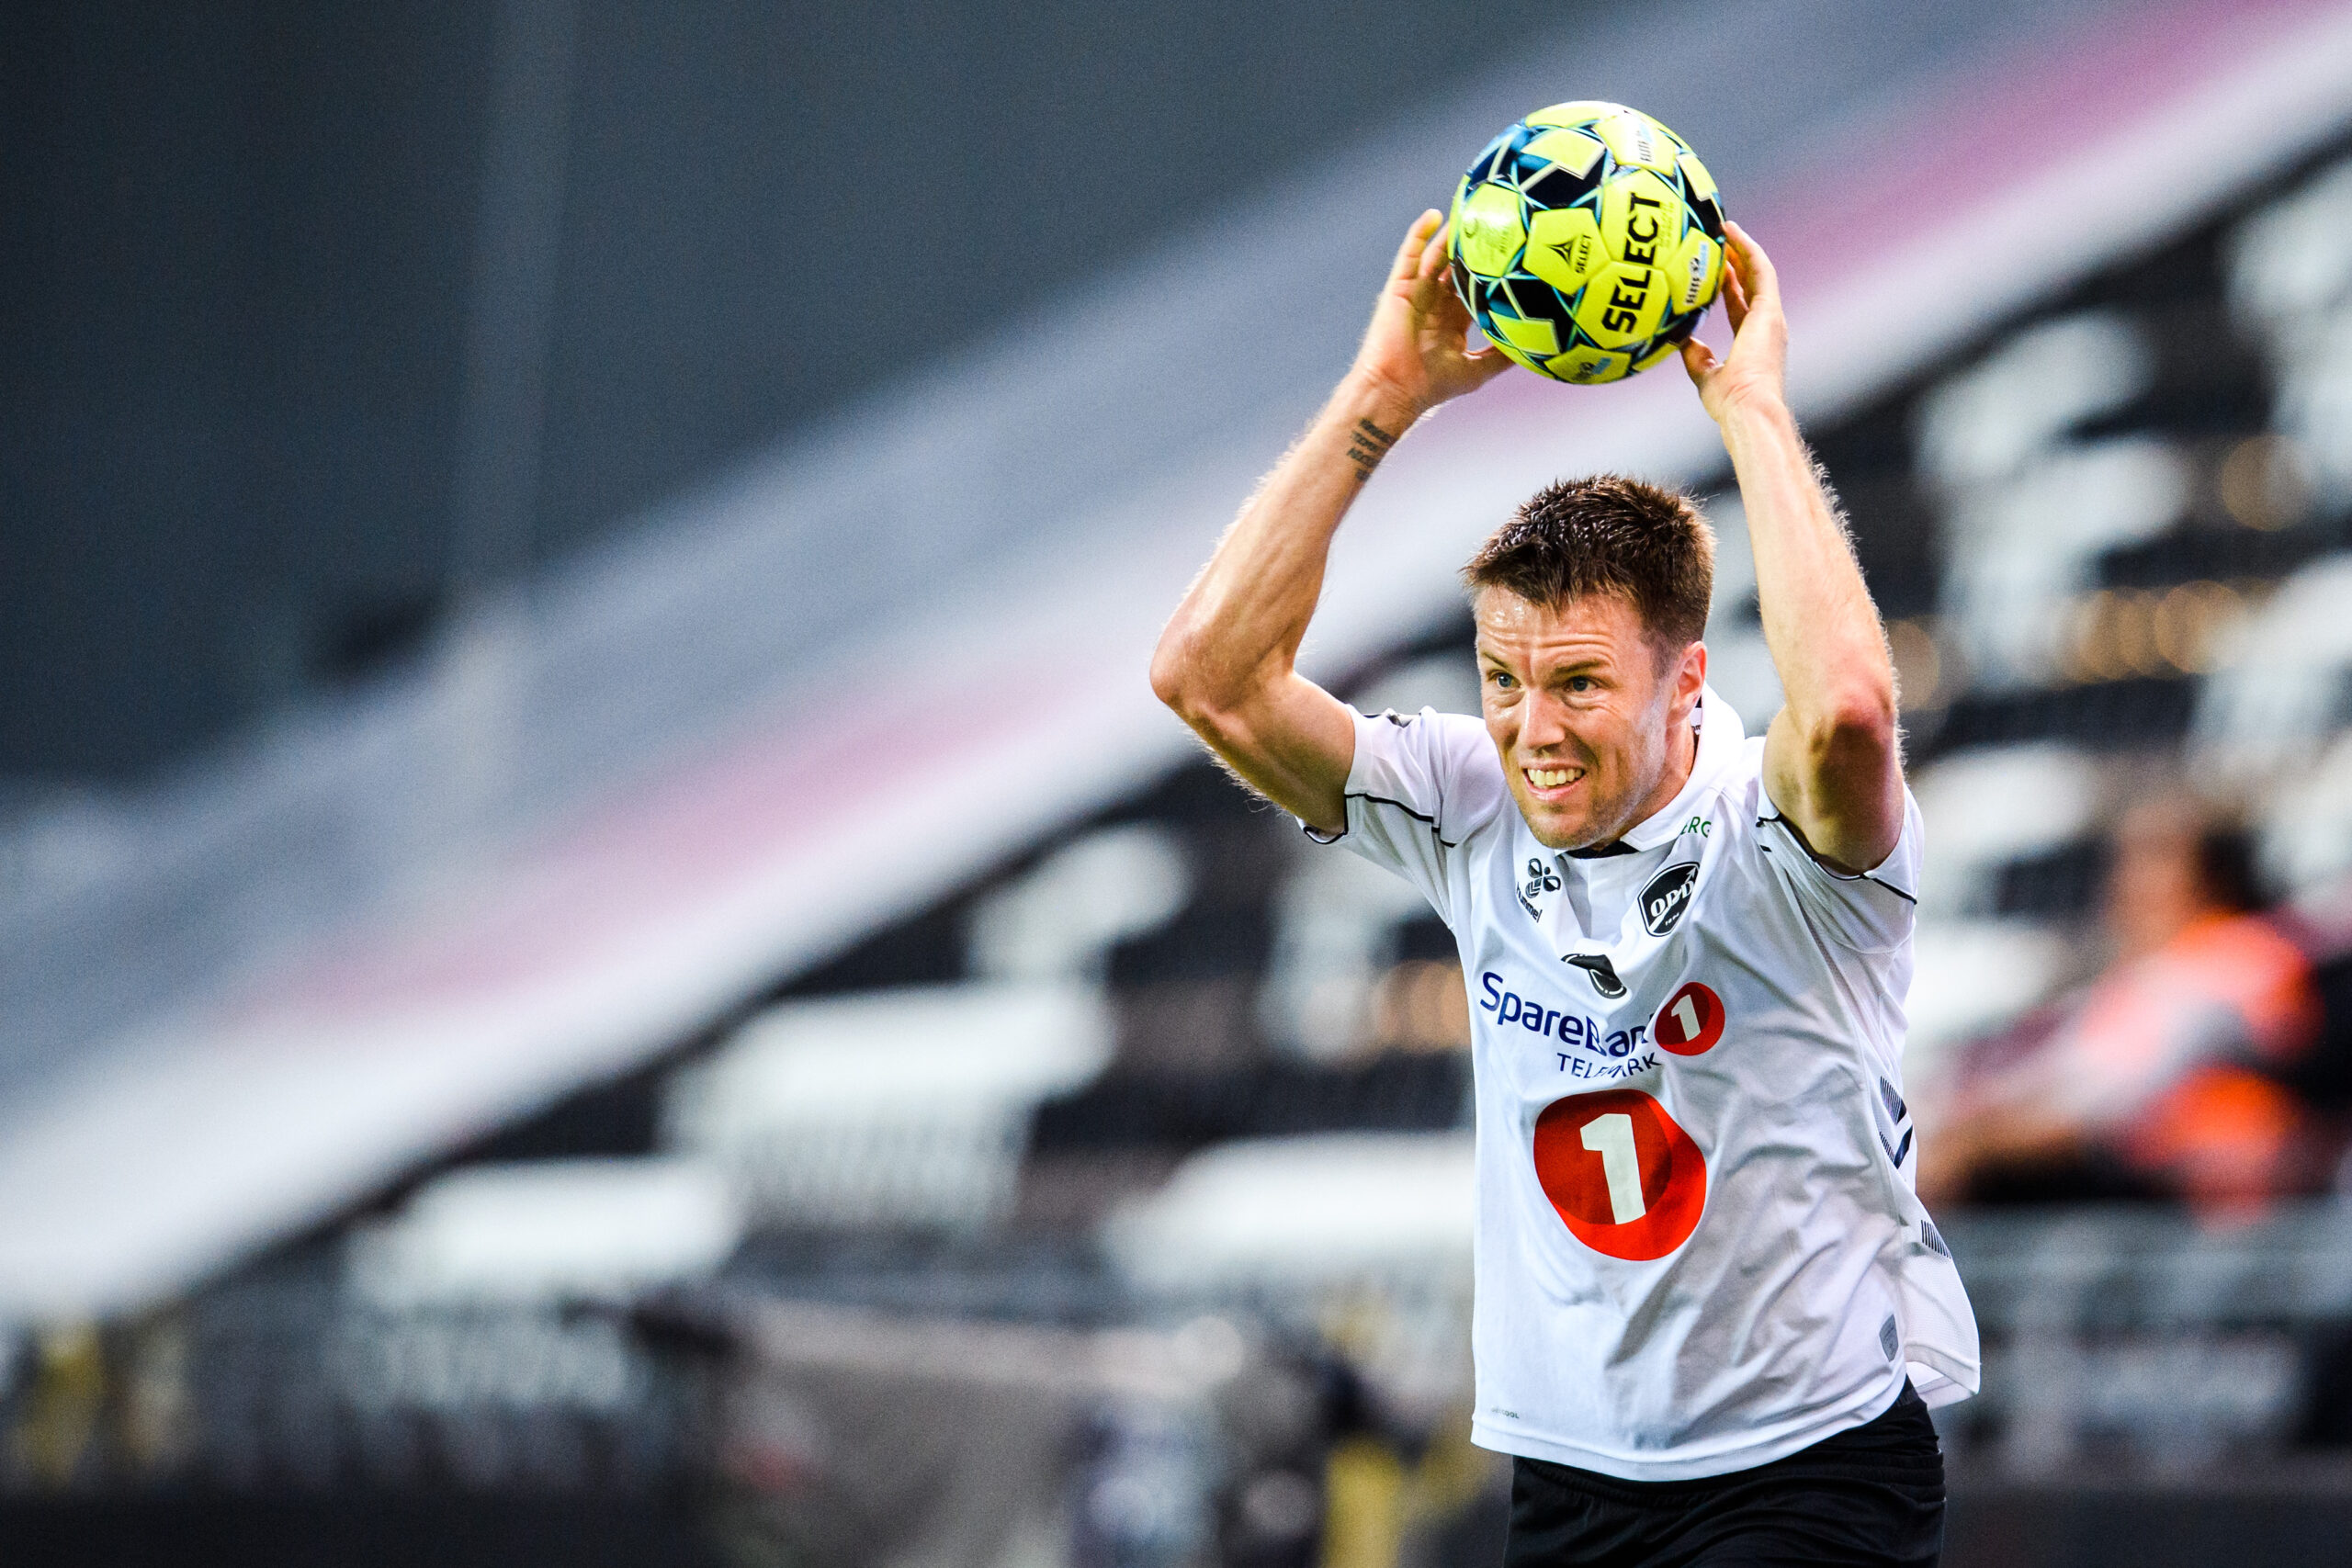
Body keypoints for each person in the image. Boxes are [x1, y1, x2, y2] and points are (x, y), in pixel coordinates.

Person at [1150, 211, 1974, 1566]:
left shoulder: (1784, 834)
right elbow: (1208, 679)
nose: (1530, 728)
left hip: (1802, 1473)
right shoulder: (1471, 802)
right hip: (1567, 1477)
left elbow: (1847, 715)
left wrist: (1753, 409)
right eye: (1502, 678)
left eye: (1580, 681)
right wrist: (1383, 395)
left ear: (1688, 681)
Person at [1917, 797, 2322, 1220]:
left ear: (2211, 874)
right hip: (2125, 1176)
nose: (2126, 882)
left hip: (2196, 1195)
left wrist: (1982, 1141)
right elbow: (2062, 1073)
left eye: (2154, 859)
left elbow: (2122, 1093)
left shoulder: (2239, 958)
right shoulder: (2138, 977)